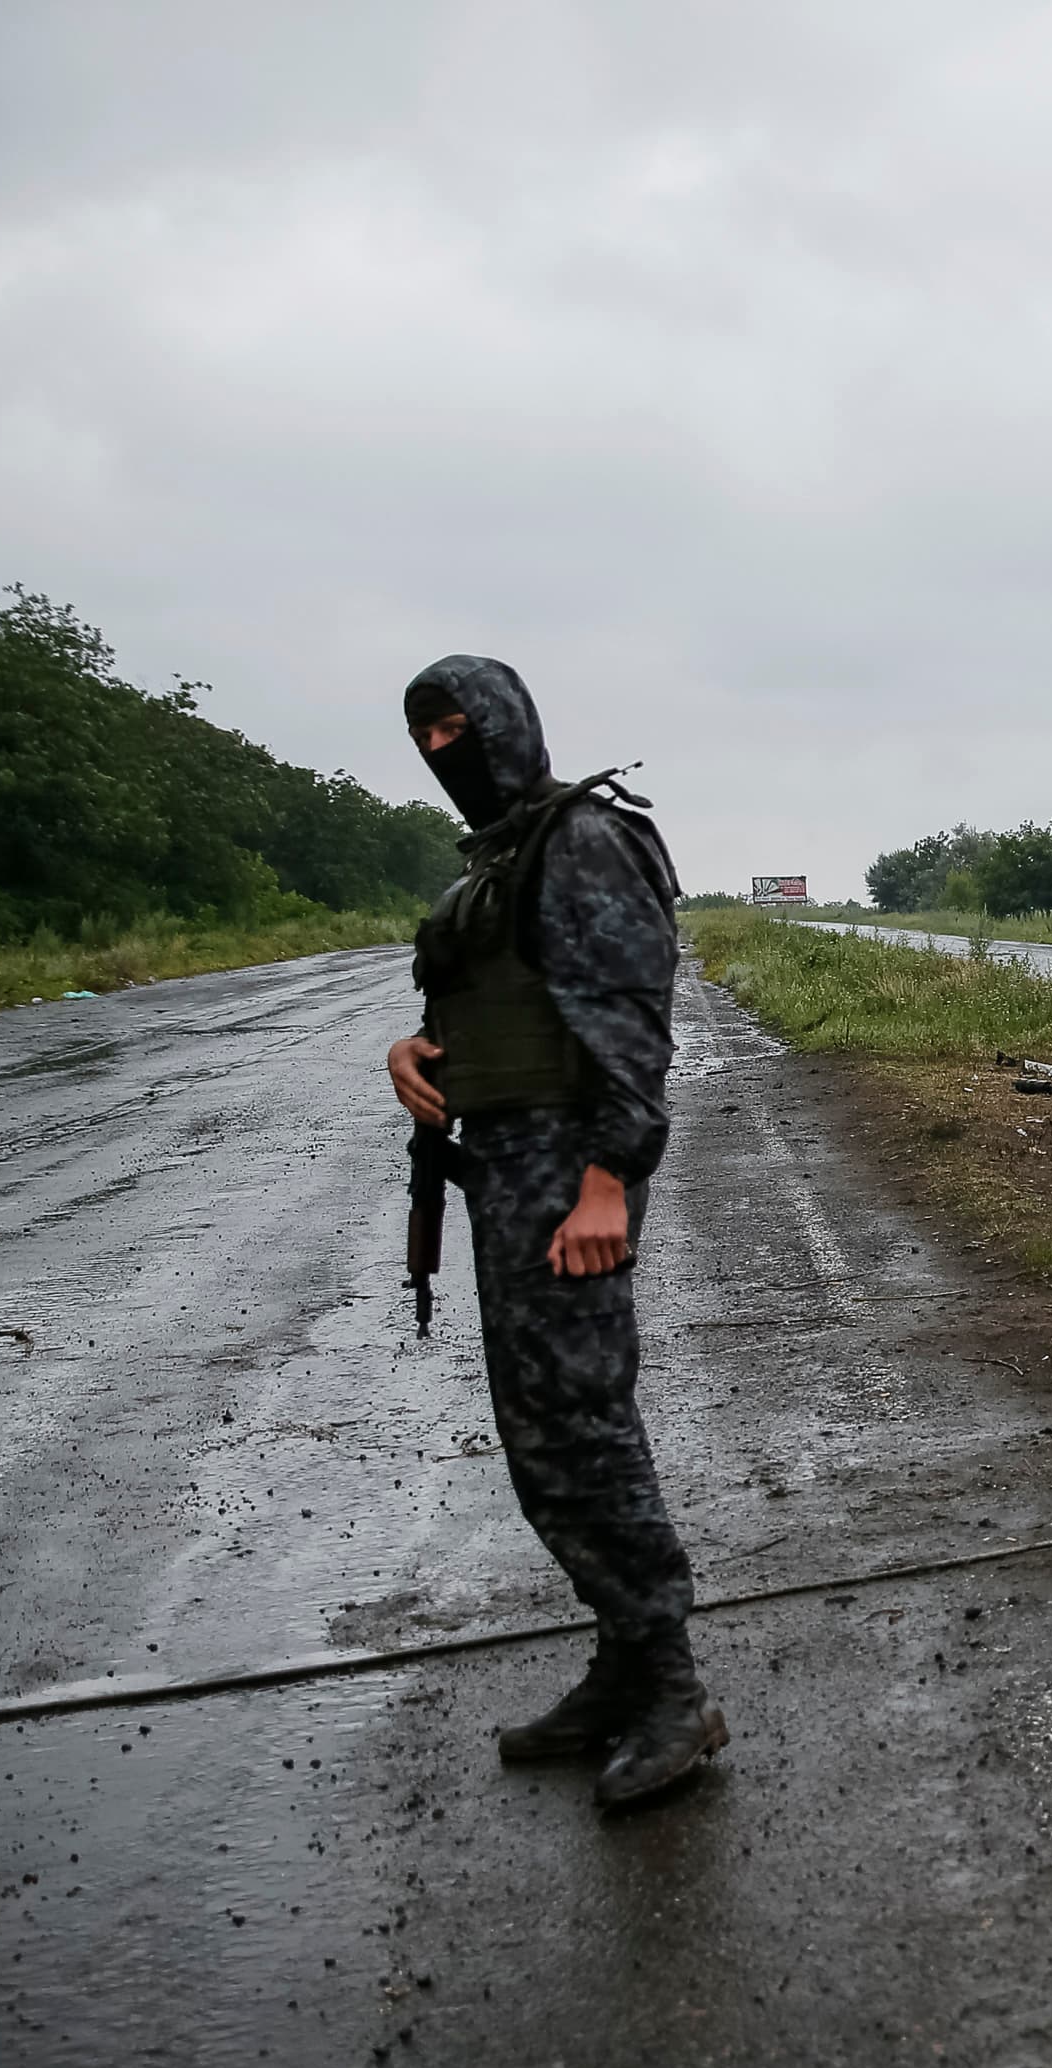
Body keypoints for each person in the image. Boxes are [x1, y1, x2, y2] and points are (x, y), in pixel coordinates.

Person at [383, 654, 723, 1809]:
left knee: (583, 1429)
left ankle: (671, 1687)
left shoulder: (580, 839)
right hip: (505, 1176)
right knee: (539, 1438)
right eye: (424, 735)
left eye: (459, 728)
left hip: (569, 1178)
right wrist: (411, 1056)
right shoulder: (502, 857)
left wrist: (608, 1182)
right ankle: (623, 1663)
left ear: (510, 725)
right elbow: (482, 1004)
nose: (444, 753)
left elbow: (632, 1022)